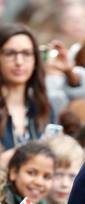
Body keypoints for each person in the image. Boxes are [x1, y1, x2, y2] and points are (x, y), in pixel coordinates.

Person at [0, 24, 53, 161]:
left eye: (26, 53)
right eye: (10, 54)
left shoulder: (45, 107)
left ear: (36, 60)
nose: (19, 62)